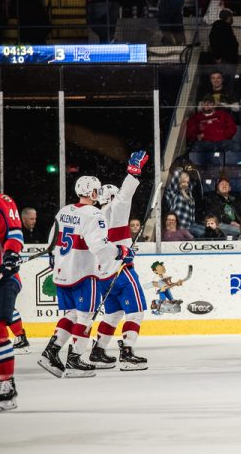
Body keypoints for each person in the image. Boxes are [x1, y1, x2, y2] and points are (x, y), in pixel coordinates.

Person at [38, 175, 133, 378]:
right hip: (83, 273)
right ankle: (75, 359)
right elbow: (98, 246)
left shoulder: (64, 211)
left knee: (71, 315)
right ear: (93, 193)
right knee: (85, 317)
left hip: (62, 272)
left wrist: (54, 261)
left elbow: (51, 241)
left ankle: (51, 351)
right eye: (96, 191)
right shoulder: (94, 214)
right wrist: (120, 252)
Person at [89, 152, 150, 372]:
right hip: (121, 272)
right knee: (136, 312)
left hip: (103, 276)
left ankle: (98, 350)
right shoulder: (115, 210)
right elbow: (125, 196)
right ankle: (127, 353)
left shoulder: (94, 217)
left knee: (113, 314)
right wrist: (134, 171)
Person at [0, 193, 23, 410]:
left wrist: (11, 256)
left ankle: (6, 383)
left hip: (4, 277)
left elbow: (14, 233)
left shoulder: (1, 202)